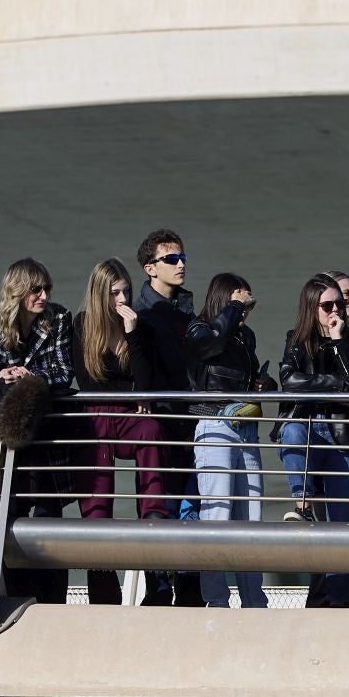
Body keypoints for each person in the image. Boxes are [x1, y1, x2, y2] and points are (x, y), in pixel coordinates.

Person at [0, 257, 79, 604]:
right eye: (36, 290)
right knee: (7, 510)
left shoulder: (59, 318)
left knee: (49, 511)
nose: (43, 296)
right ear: (18, 292)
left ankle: (52, 600)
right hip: (8, 438)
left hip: (45, 433)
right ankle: (13, 596)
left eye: (46, 289)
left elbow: (63, 370)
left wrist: (31, 378)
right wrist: (2, 375)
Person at [71, 258, 171, 605]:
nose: (123, 298)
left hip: (130, 412)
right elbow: (87, 381)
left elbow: (145, 385)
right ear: (101, 294)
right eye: (115, 292)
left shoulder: (137, 327)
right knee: (96, 507)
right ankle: (103, 593)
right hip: (98, 412)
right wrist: (127, 392)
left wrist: (132, 335)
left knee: (151, 427)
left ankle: (153, 509)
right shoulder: (83, 324)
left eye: (126, 290)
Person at [278, 275, 349, 606]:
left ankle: (338, 608)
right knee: (291, 430)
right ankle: (302, 503)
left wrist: (337, 342)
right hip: (311, 429)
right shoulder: (297, 340)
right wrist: (337, 385)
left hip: (345, 437)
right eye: (327, 305)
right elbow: (290, 380)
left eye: (339, 303)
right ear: (312, 307)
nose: (337, 309)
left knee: (341, 534)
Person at [188, 271, 271, 609]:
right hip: (215, 424)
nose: (244, 313)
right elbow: (210, 346)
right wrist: (234, 309)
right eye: (240, 304)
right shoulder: (200, 328)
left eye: (248, 307)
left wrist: (260, 385)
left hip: (245, 427)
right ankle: (217, 605)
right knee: (217, 516)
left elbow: (242, 373)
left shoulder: (244, 335)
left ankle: (255, 605)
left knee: (251, 520)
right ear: (225, 300)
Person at [132, 228, 205, 606]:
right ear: (150, 268)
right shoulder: (141, 315)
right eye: (171, 259)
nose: (181, 265)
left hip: (188, 420)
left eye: (183, 258)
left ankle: (189, 588)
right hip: (159, 422)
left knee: (190, 504)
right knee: (157, 505)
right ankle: (158, 588)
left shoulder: (186, 309)